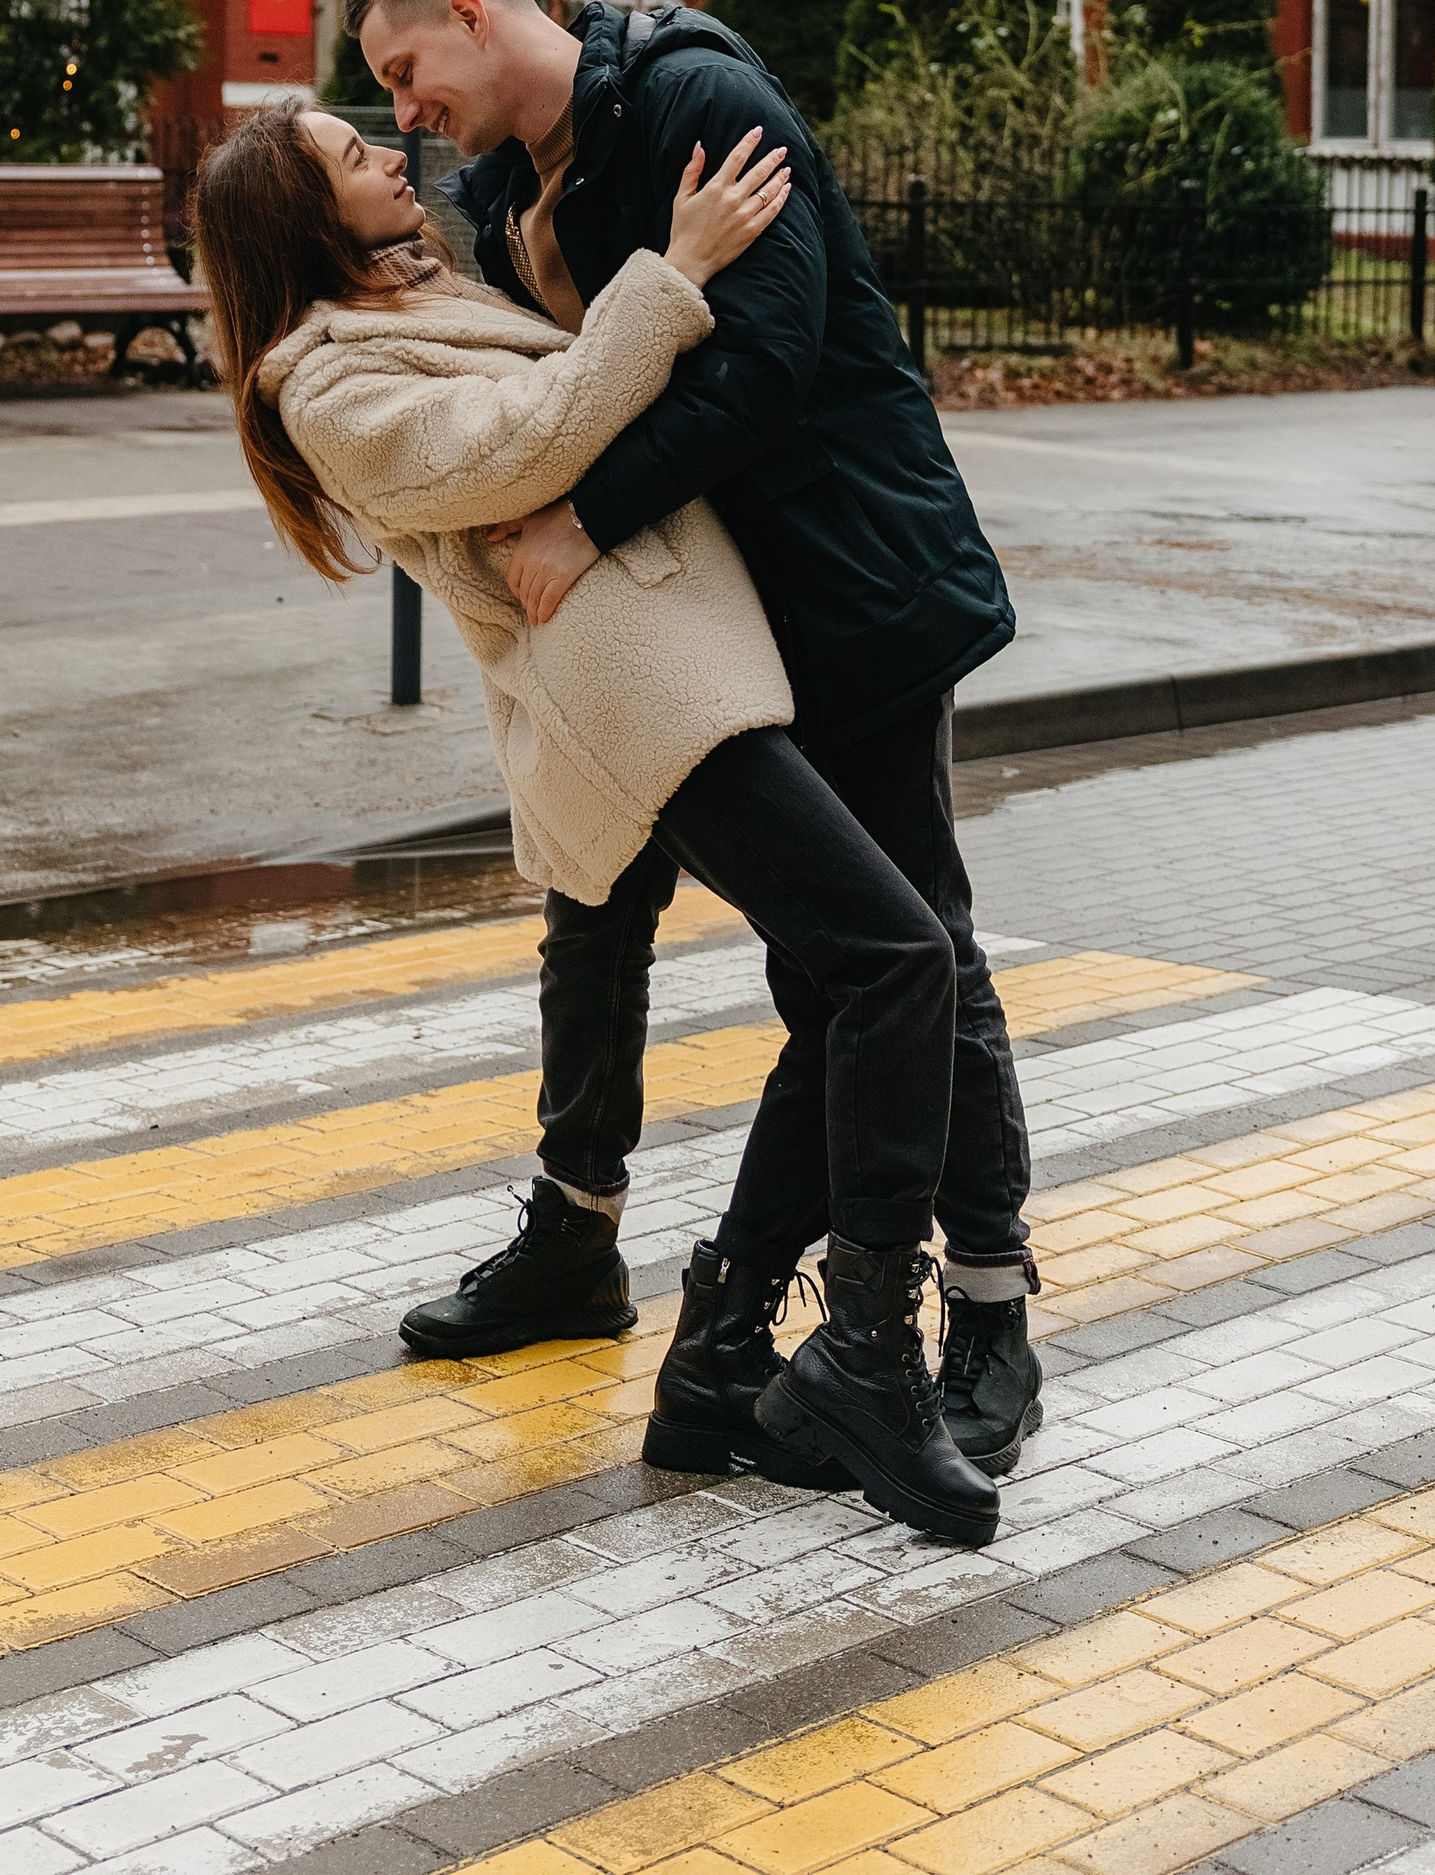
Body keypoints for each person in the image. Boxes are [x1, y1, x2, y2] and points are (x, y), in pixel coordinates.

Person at [190, 94, 1000, 1549]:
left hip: (703, 657)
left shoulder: (437, 291)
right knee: (895, 962)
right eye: (349, 155)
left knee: (850, 988)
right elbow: (530, 440)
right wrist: (671, 268)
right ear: (303, 220)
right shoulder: (318, 387)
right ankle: (863, 1356)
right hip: (636, 690)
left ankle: (718, 1365)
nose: (389, 153)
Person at [352, 0, 1044, 1478]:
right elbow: (577, 381)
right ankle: (686, 1301)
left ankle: (988, 1317)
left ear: (471, 14)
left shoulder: (690, 100)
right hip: (727, 615)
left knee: (919, 944)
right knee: (790, 946)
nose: (405, 110)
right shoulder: (516, 191)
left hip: (855, 582)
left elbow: (773, 358)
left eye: (407, 70)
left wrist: (589, 519)